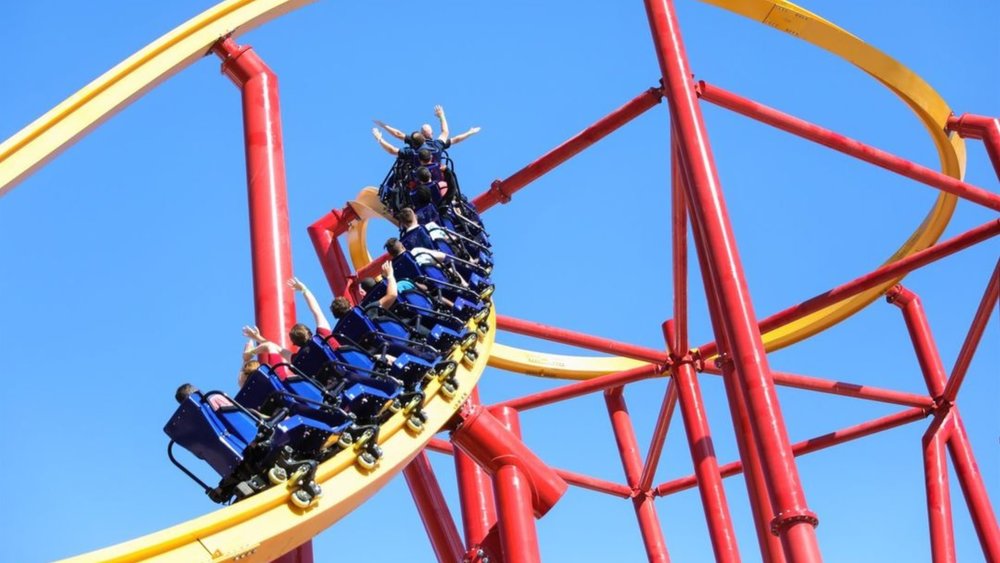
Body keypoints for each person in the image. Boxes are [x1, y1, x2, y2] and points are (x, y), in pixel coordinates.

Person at [241, 276, 336, 362]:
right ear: (309, 332)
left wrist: (256, 343)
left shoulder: (297, 360)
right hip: (346, 369)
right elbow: (316, 311)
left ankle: (250, 353)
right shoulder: (324, 336)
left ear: (295, 343)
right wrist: (304, 290)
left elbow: (277, 349)